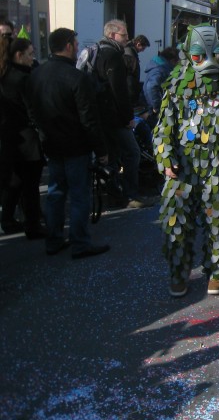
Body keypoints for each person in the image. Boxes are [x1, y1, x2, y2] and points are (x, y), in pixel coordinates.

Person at [152, 24, 219, 297]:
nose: (207, 62)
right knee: (176, 221)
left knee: (217, 222)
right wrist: (165, 154)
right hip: (182, 165)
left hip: (216, 163)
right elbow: (163, 125)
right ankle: (179, 271)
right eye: (200, 55)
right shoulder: (177, 84)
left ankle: (217, 271)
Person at [27, 28, 110, 258]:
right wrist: (101, 150)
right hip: (75, 145)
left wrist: (43, 134)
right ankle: (80, 242)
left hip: (52, 144)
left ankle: (54, 239)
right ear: (68, 45)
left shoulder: (37, 74)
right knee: (79, 195)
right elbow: (88, 118)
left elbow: (32, 111)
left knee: (56, 193)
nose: (77, 47)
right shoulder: (76, 77)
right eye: (74, 43)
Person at [94, 20, 150, 209]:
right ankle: (129, 194)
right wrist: (128, 118)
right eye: (124, 35)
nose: (128, 38)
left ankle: (114, 194)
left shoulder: (99, 52)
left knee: (113, 156)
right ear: (112, 35)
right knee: (132, 153)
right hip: (115, 117)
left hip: (102, 115)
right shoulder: (114, 56)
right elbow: (120, 91)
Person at [0, 38, 46, 239]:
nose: (32, 58)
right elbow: (33, 111)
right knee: (30, 185)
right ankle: (33, 225)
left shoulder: (5, 74)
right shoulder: (22, 78)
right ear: (19, 55)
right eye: (30, 54)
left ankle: (8, 219)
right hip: (27, 139)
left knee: (16, 182)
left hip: (10, 137)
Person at [142, 47, 179, 127]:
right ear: (172, 61)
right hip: (155, 110)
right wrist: (157, 107)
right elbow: (151, 87)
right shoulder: (160, 70)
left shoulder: (159, 67)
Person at [124, 34, 150, 107]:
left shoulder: (129, 50)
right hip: (129, 86)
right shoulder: (129, 53)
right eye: (143, 48)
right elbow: (130, 73)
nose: (142, 51)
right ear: (138, 44)